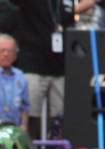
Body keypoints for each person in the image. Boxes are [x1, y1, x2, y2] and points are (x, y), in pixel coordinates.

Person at [12, 0, 72, 139]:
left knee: (62, 119)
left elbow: (69, 22)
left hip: (60, 66)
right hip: (34, 64)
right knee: (30, 115)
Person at [0, 35, 30, 131]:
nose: (5, 54)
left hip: (13, 130)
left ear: (15, 55)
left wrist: (24, 125)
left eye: (10, 51)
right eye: (1, 50)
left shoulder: (20, 76)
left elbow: (25, 106)